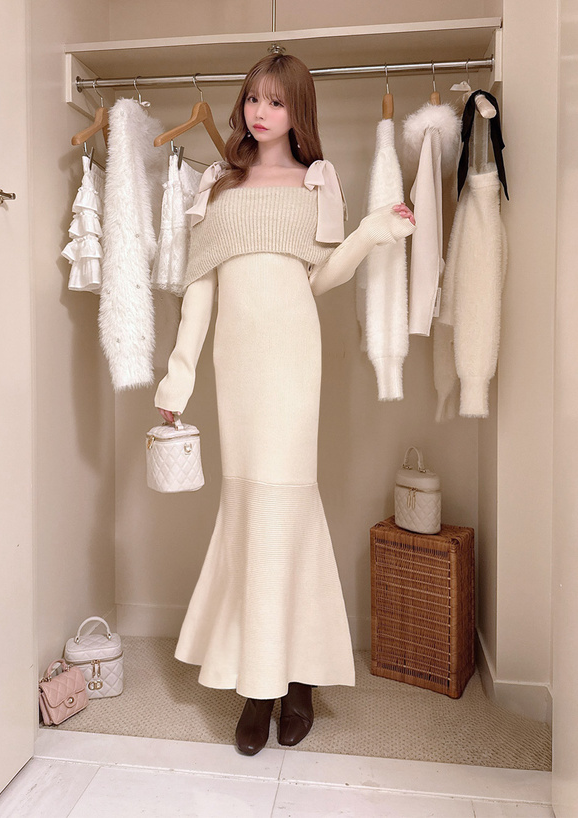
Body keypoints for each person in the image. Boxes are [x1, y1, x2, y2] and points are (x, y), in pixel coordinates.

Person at [155, 53, 416, 756]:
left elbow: (319, 278)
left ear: (297, 110)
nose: (260, 112)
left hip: (294, 358)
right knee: (248, 506)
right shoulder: (216, 182)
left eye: (275, 101)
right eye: (252, 99)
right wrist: (177, 381)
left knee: (288, 506)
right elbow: (200, 290)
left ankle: (292, 681)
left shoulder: (317, 180)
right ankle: (260, 685)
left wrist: (371, 232)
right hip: (236, 366)